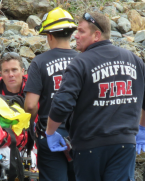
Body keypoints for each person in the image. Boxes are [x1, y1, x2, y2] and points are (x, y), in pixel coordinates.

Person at [45, 11, 145, 181]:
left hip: (89, 146)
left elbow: (62, 104)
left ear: (96, 35)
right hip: (125, 145)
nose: (76, 35)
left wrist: (49, 132)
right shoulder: (134, 60)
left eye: (81, 31)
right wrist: (141, 128)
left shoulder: (80, 62)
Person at [24, 7, 78, 181]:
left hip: (50, 134)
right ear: (70, 34)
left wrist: (31, 130)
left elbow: (31, 105)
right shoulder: (84, 60)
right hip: (81, 134)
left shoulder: (40, 62)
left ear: (49, 36)